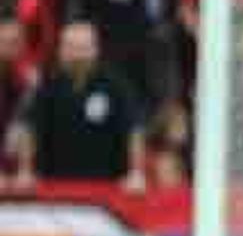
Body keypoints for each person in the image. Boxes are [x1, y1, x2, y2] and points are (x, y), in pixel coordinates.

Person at [10, 20, 146, 191]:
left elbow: (134, 130)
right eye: (71, 48)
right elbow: (30, 130)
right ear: (61, 51)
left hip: (106, 186)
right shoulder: (47, 86)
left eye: (83, 48)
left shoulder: (116, 85)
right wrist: (25, 170)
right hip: (54, 185)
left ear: (96, 50)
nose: (77, 56)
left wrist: (136, 172)